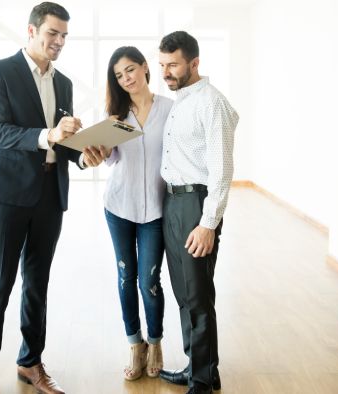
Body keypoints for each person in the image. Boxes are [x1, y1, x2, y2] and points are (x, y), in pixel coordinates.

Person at [0, 3, 106, 394]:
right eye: (53, 33)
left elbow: (62, 144)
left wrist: (83, 154)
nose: (60, 41)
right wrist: (49, 135)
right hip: (5, 195)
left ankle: (30, 362)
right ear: (30, 31)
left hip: (50, 193)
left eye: (65, 35)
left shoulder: (63, 83)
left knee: (38, 282)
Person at [155, 31, 238, 394]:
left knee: (198, 295)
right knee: (183, 292)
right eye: (161, 65)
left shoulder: (212, 103)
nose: (166, 72)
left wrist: (208, 224)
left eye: (172, 65)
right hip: (172, 202)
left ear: (194, 62)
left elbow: (222, 170)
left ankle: (202, 381)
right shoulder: (180, 101)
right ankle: (199, 368)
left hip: (196, 205)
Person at [101, 46, 173, 381]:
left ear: (145, 68)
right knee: (126, 278)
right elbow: (109, 159)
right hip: (119, 206)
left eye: (130, 70)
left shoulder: (170, 110)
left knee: (150, 281)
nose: (126, 79)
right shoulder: (116, 115)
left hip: (156, 210)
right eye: (119, 75)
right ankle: (135, 344)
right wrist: (101, 147)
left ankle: (155, 342)